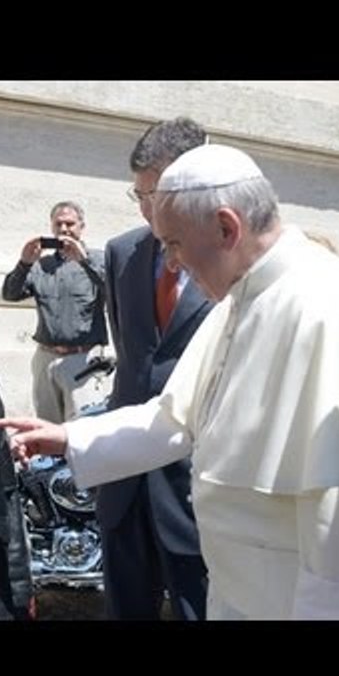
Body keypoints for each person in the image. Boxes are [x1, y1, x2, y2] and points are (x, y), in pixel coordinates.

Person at [0, 144, 339, 620]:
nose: (172, 264)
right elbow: (176, 418)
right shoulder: (240, 298)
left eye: (175, 243)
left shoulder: (328, 309)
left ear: (227, 227)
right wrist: (66, 437)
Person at [98, 118, 211, 620]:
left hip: (195, 486)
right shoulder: (122, 253)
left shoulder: (230, 257)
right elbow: (133, 356)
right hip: (125, 484)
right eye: (138, 194)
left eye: (157, 193)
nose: (147, 209)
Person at [2, 201, 109, 422]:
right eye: (58, 224)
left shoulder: (98, 259)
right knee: (46, 427)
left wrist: (84, 261)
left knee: (84, 429)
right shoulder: (41, 265)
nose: (63, 229)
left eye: (70, 223)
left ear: (82, 227)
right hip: (45, 357)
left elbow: (113, 291)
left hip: (83, 359)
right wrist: (23, 263)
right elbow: (10, 294)